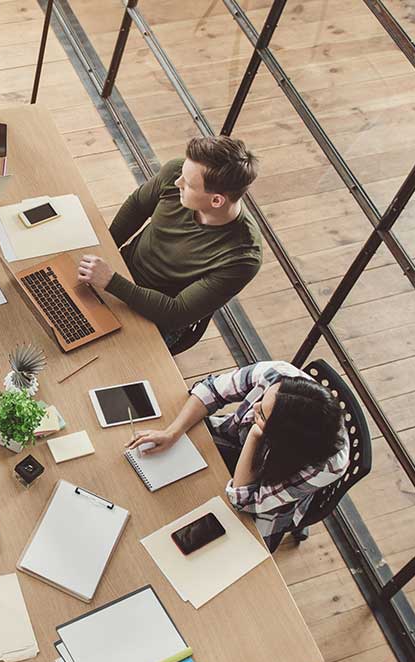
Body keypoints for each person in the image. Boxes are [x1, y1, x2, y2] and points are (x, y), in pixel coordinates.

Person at [128, 360, 348, 549]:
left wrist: (254, 434)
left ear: (282, 435)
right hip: (233, 443)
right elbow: (211, 390)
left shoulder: (325, 467)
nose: (255, 407)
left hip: (270, 497)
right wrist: (172, 432)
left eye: (262, 413)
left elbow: (243, 500)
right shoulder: (279, 375)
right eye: (262, 400)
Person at [76, 136, 263, 351]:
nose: (177, 182)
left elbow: (177, 313)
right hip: (118, 272)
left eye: (189, 184)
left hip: (156, 316)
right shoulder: (178, 172)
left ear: (216, 200)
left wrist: (111, 282)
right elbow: (138, 205)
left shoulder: (242, 257)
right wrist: (105, 250)